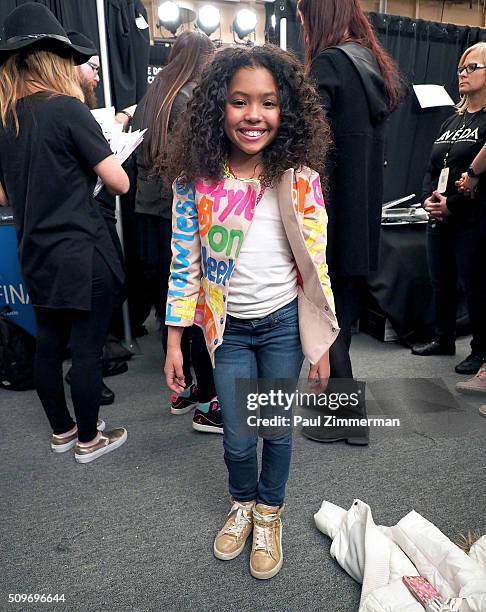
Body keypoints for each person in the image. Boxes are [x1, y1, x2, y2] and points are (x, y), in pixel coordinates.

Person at [162, 44, 338, 579]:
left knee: (276, 431)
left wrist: (322, 344)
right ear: (219, 107)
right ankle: (243, 502)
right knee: (238, 434)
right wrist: (173, 340)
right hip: (229, 332)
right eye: (239, 102)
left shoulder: (299, 177)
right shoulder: (197, 181)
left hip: (284, 325)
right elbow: (183, 263)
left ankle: (269, 512)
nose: (253, 115)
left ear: (286, 110)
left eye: (267, 102)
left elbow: (317, 264)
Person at [0, 3, 128, 463]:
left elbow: (2, 195)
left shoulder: (5, 117)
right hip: (81, 247)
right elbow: (119, 182)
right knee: (88, 350)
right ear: (54, 57)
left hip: (35, 250)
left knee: (49, 344)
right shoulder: (67, 109)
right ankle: (90, 440)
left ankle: (63, 431)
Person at [297, 0, 403, 444]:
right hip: (362, 210)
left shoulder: (329, 65)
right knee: (343, 306)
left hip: (329, 208)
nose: (301, 24)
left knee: (327, 306)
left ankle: (347, 411)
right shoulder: (369, 63)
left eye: (303, 16)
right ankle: (343, 402)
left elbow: (308, 141)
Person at [131, 31, 220, 433]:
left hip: (147, 209)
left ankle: (184, 389)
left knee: (176, 300)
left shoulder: (152, 96)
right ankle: (206, 399)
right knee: (196, 304)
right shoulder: (188, 99)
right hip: (179, 211)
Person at [410, 42, 486, 377]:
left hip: (471, 218)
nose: (463, 74)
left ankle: (480, 351)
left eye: (472, 68)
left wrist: (452, 205)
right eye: (460, 69)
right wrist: (428, 199)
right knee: (440, 280)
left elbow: (480, 176)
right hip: (439, 215)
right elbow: (432, 165)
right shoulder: (451, 121)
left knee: (475, 285)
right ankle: (443, 338)